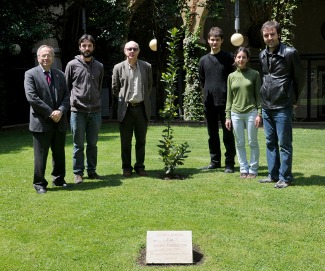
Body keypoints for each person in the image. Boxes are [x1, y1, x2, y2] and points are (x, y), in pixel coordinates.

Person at [258, 20, 305, 188]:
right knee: (270, 142)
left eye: (272, 34)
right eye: (266, 35)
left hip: (283, 105)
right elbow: (266, 78)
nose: (269, 38)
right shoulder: (262, 55)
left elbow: (300, 78)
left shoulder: (290, 53)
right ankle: (273, 174)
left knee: (284, 143)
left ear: (278, 34)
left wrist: (294, 100)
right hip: (266, 106)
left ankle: (285, 178)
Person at [24, 45, 70, 194]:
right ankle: (39, 183)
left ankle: (59, 179)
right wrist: (51, 113)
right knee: (40, 156)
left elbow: (66, 97)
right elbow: (32, 98)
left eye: (49, 55)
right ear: (38, 58)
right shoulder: (30, 74)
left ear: (53, 58)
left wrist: (61, 111)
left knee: (59, 154)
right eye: (43, 55)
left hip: (59, 121)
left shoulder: (60, 75)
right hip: (41, 122)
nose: (46, 58)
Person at [65, 34, 104, 184]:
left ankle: (92, 171)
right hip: (77, 111)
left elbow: (98, 87)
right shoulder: (71, 65)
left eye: (89, 45)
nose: (87, 48)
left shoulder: (99, 66)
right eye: (84, 45)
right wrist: (73, 103)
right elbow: (67, 87)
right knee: (78, 145)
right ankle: (78, 173)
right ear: (79, 47)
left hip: (95, 111)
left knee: (93, 144)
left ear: (93, 47)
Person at [112, 41, 152, 177]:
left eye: (135, 49)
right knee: (125, 141)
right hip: (126, 109)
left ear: (139, 51)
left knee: (141, 141)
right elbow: (115, 88)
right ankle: (126, 167)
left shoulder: (146, 67)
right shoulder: (118, 68)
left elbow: (149, 86)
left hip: (141, 108)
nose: (132, 51)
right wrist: (124, 99)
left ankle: (140, 166)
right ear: (125, 51)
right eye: (129, 49)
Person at [199, 27, 236, 173]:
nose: (214, 42)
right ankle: (215, 162)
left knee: (228, 134)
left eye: (217, 40)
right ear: (208, 40)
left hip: (226, 103)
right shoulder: (203, 60)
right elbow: (203, 80)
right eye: (212, 40)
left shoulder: (228, 57)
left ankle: (229, 163)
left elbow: (234, 78)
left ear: (222, 41)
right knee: (212, 134)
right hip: (209, 103)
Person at [225, 47, 262, 179]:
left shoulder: (254, 74)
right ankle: (243, 168)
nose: (241, 59)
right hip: (235, 113)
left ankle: (253, 169)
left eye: (243, 57)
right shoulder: (231, 76)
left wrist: (259, 113)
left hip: (251, 112)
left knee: (253, 142)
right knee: (239, 143)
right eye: (238, 57)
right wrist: (227, 116)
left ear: (247, 59)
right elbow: (229, 98)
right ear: (235, 58)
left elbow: (258, 96)